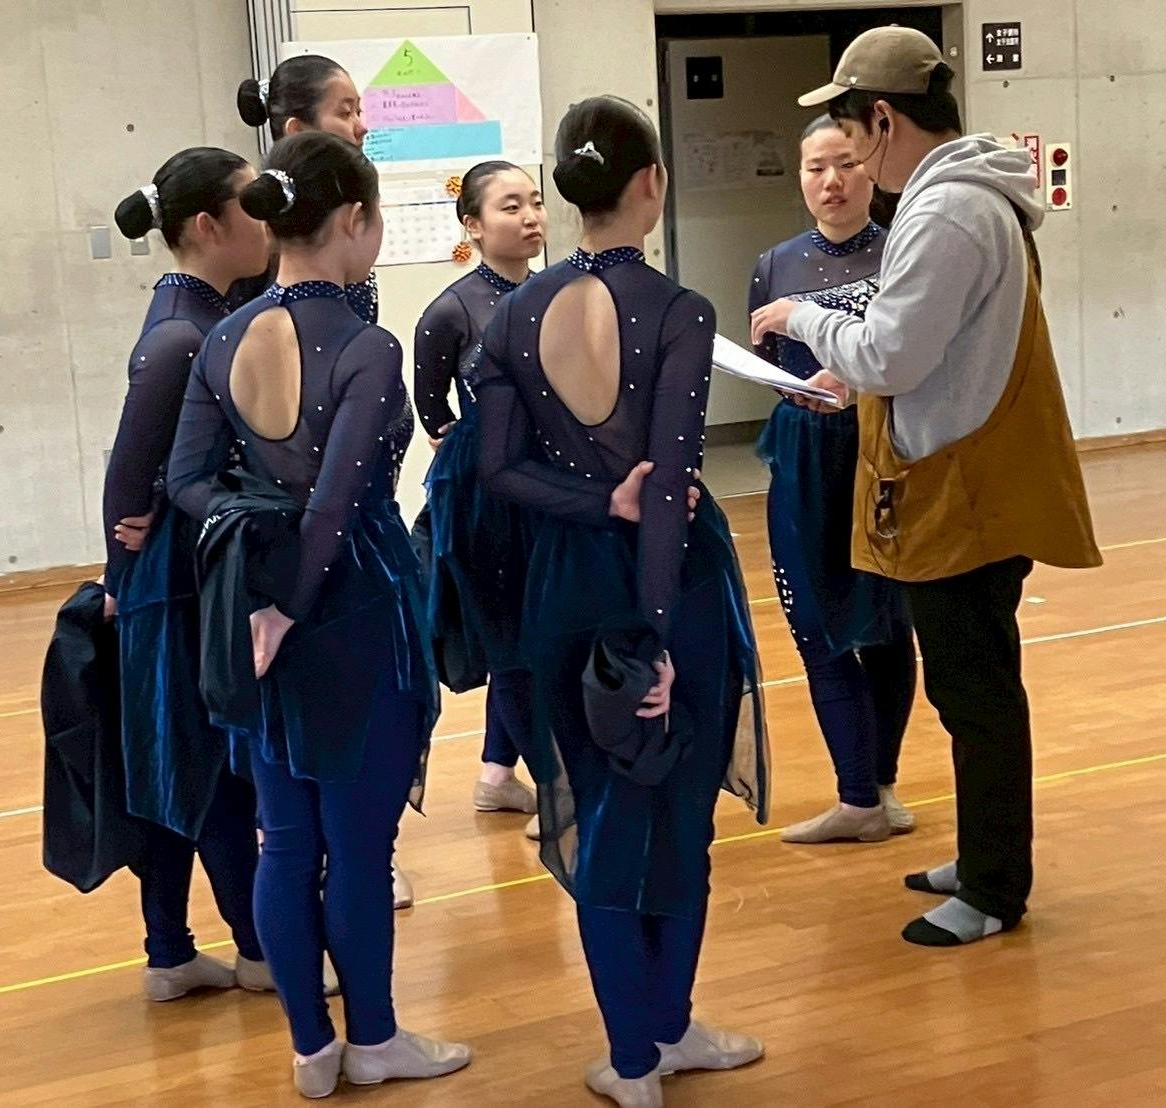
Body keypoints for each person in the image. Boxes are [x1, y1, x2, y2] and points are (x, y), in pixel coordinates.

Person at [752, 27, 1101, 946]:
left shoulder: (947, 210)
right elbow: (919, 349)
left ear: (882, 118)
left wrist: (806, 318)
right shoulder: (966, 197)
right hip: (965, 478)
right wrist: (852, 372)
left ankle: (992, 888)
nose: (849, 165)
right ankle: (986, 853)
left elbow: (894, 352)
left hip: (962, 492)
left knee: (975, 694)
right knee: (969, 688)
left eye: (851, 138)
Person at [167, 132, 470, 1098]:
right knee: (359, 848)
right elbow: (335, 506)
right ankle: (372, 1038)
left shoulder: (225, 336)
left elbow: (184, 481)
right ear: (355, 220)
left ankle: (310, 1050)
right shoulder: (365, 345)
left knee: (287, 843)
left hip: (259, 605)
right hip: (350, 609)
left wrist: (256, 554)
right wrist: (291, 606)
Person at [478, 97, 768, 1107]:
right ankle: (663, 1031)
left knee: (602, 811)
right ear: (651, 183)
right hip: (669, 583)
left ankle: (636, 1054)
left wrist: (596, 497)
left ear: (568, 193)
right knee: (677, 814)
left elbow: (497, 469)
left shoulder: (515, 310)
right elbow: (672, 481)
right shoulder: (679, 310)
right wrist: (655, 637)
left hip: (564, 581)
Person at [239, 53, 414, 908]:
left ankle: (354, 858)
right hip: (311, 546)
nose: (361, 122)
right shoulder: (272, 269)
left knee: (322, 798)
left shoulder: (347, 301)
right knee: (315, 800)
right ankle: (340, 868)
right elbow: (320, 468)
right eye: (345, 108)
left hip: (320, 539)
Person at [104, 148, 274, 1001]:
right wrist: (121, 572)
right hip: (175, 584)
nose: (268, 219)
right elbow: (127, 480)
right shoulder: (184, 333)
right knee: (210, 768)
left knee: (173, 763)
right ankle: (255, 949)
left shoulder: (202, 314)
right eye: (252, 205)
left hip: (176, 574)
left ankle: (170, 952)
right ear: (208, 225)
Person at [750, 117, 916, 845]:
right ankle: (855, 794)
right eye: (815, 167)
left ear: (869, 168)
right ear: (799, 178)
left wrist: (857, 382)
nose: (831, 181)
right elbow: (768, 359)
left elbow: (913, 353)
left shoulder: (902, 250)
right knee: (814, 622)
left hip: (881, 451)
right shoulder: (774, 263)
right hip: (804, 455)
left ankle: (878, 786)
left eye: (845, 163)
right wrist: (797, 389)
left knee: (888, 624)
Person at [414, 161, 546, 829]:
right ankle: (556, 786)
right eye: (509, 207)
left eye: (535, 202)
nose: (529, 217)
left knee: (539, 632)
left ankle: (497, 772)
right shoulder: (452, 309)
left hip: (552, 486)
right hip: (488, 499)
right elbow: (429, 402)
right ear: (472, 224)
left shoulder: (557, 290)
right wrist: (463, 447)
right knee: (512, 640)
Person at [233, 55, 378, 324]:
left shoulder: (345, 203)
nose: (362, 128)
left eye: (358, 112)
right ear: (298, 129)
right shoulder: (272, 223)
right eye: (345, 113)